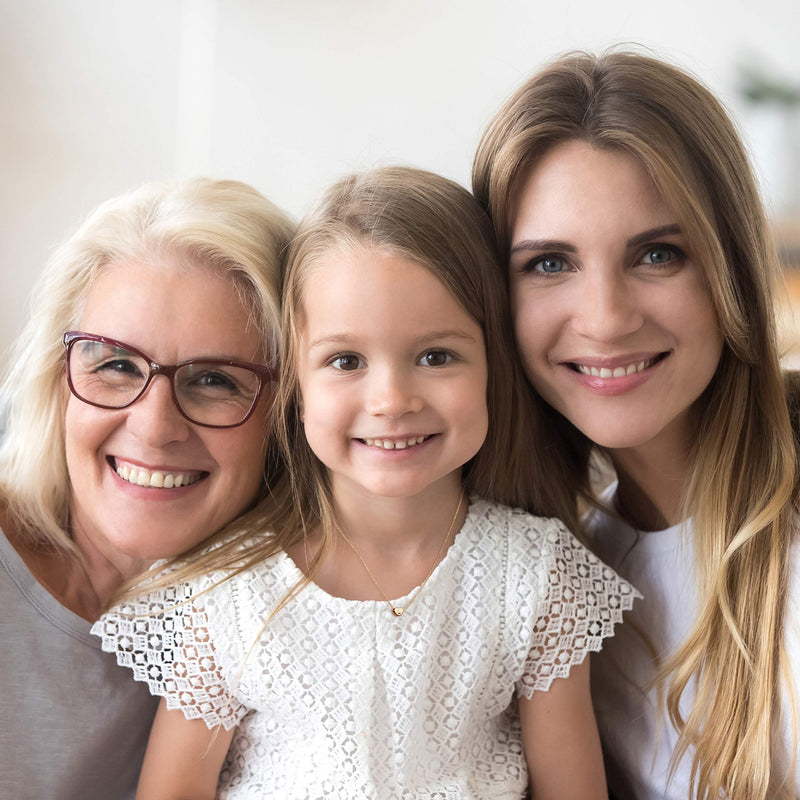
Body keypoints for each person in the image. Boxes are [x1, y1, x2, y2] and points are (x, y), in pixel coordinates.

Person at [94, 166, 636, 800]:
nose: (391, 400)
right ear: (294, 386)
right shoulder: (228, 592)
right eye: (345, 361)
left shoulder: (536, 575)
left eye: (436, 356)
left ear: (495, 365)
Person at [472, 50, 800, 800]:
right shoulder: (555, 585)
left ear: (731, 270)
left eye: (658, 254)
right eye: (550, 264)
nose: (607, 319)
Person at [0, 177, 293, 800]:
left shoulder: (282, 633)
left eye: (216, 380)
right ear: (57, 381)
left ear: (290, 416)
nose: (156, 428)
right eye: (114, 364)